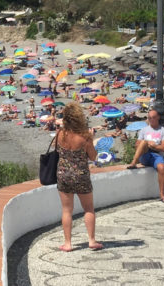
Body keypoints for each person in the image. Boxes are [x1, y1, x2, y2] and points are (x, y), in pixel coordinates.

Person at [55, 102, 102, 252]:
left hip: (63, 174)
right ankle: (91, 240)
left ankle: (68, 243)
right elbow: (93, 157)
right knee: (88, 208)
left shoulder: (60, 134)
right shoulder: (85, 137)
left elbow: (58, 151)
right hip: (81, 175)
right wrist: (92, 139)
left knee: (67, 210)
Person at [127, 109, 164, 203]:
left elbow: (163, 148)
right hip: (145, 154)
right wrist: (147, 144)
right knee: (143, 142)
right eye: (149, 118)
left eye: (153, 117)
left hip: (157, 154)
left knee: (161, 168)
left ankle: (162, 194)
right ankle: (134, 162)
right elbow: (137, 145)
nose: (151, 119)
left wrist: (154, 146)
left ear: (158, 117)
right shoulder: (144, 130)